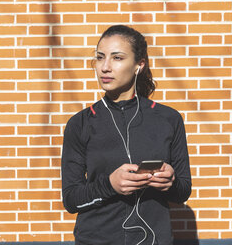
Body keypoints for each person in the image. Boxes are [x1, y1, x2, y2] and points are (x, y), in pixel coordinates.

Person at [61, 25, 192, 245]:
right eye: (100, 57)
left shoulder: (169, 119)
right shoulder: (80, 124)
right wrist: (110, 185)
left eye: (117, 58)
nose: (105, 67)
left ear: (138, 65)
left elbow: (182, 192)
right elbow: (71, 200)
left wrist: (170, 181)